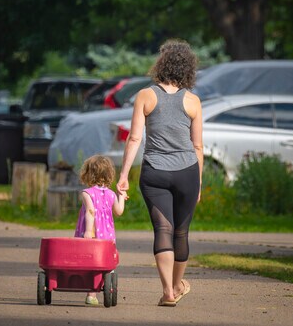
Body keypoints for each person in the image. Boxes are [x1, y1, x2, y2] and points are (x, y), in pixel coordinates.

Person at [117, 39, 203, 307]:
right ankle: (178, 285)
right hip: (187, 172)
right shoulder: (193, 101)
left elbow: (134, 139)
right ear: (188, 69)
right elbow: (198, 146)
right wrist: (198, 183)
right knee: (181, 232)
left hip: (154, 171)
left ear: (161, 65)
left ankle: (167, 291)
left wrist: (123, 176)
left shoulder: (145, 95)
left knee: (162, 229)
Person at [74, 154, 127, 305]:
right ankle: (107, 285)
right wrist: (121, 196)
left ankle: (91, 294)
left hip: (92, 235)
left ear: (88, 174)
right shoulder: (111, 194)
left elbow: (90, 211)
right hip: (108, 237)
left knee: (90, 263)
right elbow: (119, 211)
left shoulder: (87, 193)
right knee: (104, 262)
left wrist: (88, 231)